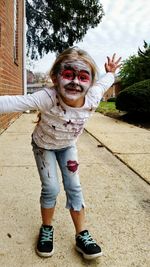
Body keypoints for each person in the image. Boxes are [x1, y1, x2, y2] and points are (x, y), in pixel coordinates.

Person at [0, 47, 121, 260]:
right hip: (43, 146)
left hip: (67, 146)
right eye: (68, 75)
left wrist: (110, 72)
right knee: (51, 188)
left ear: (90, 82)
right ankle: (47, 228)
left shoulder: (92, 98)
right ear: (56, 78)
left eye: (83, 77)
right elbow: (13, 102)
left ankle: (81, 234)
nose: (75, 82)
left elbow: (104, 83)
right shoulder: (47, 97)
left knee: (74, 187)